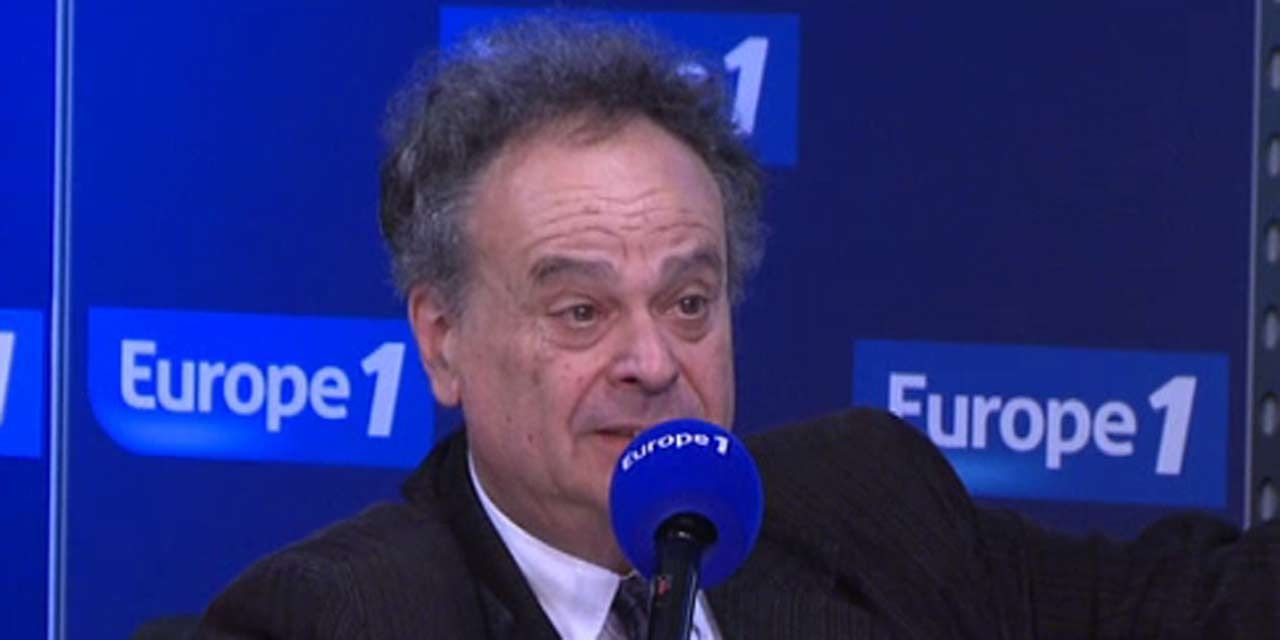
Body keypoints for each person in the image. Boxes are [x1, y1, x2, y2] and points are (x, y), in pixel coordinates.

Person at [195, 15, 1280, 639]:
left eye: (688, 302)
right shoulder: (336, 617)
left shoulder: (867, 503)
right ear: (442, 341)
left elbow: (1203, 609)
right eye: (581, 310)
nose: (651, 361)